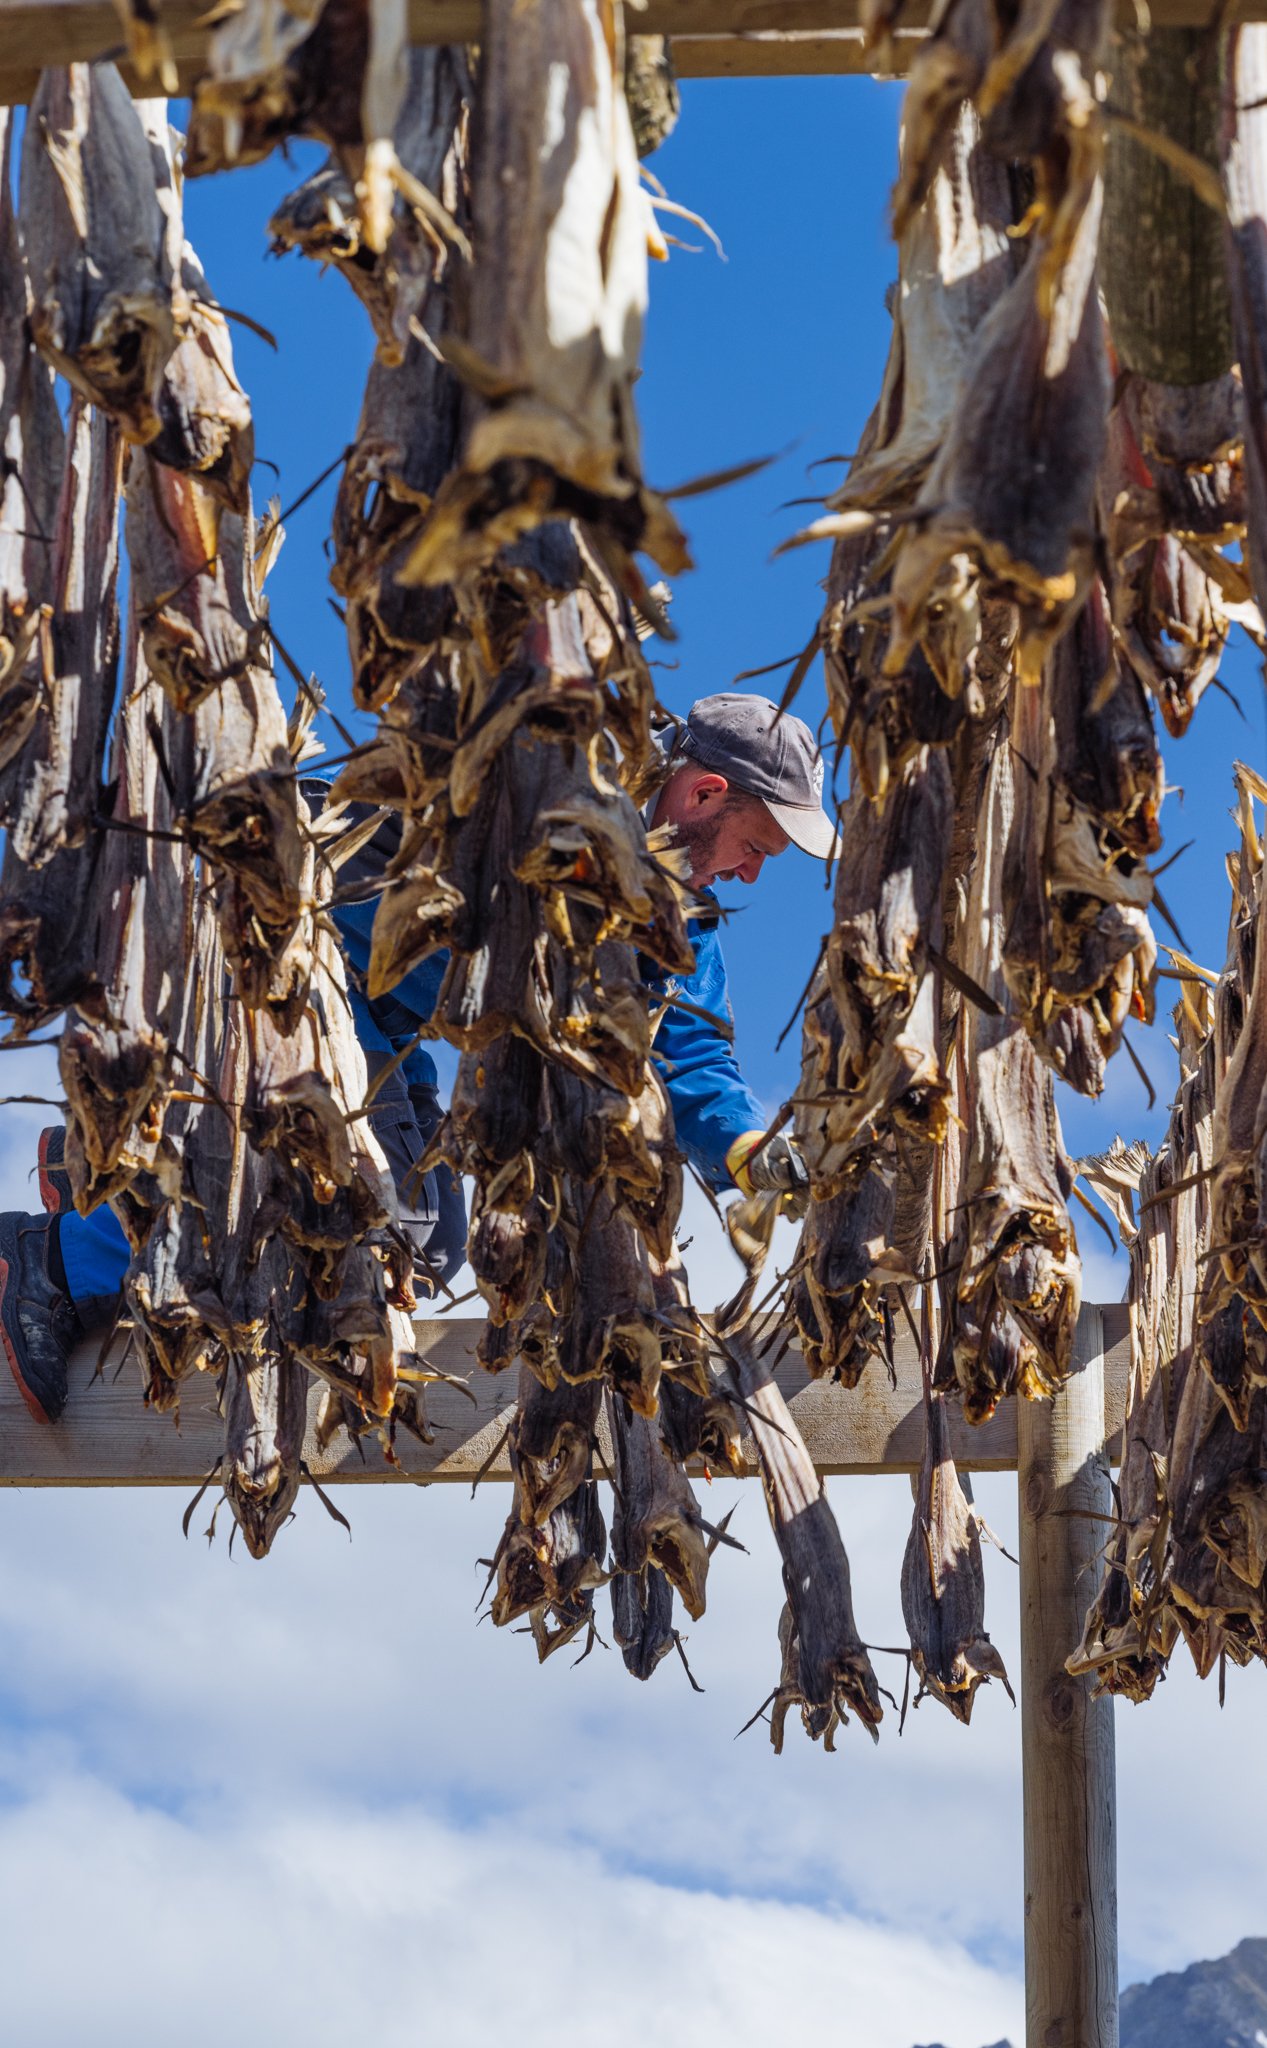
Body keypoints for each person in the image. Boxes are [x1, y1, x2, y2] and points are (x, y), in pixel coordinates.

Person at [0, 692, 835, 1425]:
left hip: (382, 1014)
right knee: (343, 1206)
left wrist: (742, 1153)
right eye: (754, 846)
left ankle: (107, 1181)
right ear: (703, 792)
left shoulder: (680, 915)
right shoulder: (555, 782)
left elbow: (686, 1049)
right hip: (285, 943)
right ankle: (51, 1264)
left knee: (427, 1244)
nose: (753, 875)